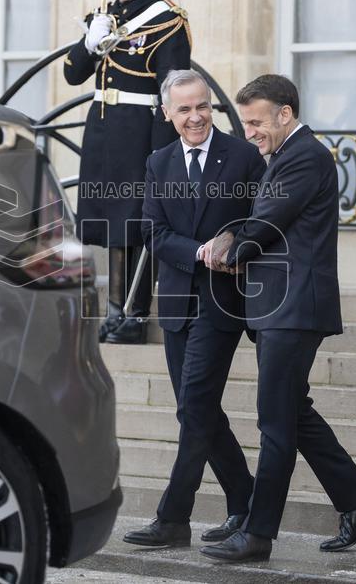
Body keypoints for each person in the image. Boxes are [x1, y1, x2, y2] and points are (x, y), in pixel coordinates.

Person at [199, 75, 356, 563]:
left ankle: (259, 534)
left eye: (256, 121)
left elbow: (267, 221)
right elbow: (258, 215)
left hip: (294, 306)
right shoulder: (282, 156)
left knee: (275, 423)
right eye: (244, 123)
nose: (249, 132)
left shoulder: (305, 155)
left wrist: (230, 250)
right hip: (280, 306)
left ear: (285, 113)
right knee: (294, 414)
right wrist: (231, 236)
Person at [123, 70, 264, 548]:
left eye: (201, 106)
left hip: (224, 302)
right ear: (167, 114)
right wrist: (197, 250)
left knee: (197, 406)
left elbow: (258, 221)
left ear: (212, 107)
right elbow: (152, 231)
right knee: (195, 410)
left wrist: (231, 244)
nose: (195, 116)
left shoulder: (242, 155)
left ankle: (172, 517)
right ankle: (246, 503)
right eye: (183, 109)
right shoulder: (158, 162)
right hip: (178, 302)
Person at [64, 0, 191, 344]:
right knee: (111, 222)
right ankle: (115, 309)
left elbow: (172, 90)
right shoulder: (103, 19)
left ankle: (134, 313)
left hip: (140, 132)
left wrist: (162, 153)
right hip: (103, 131)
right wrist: (88, 44)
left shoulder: (165, 21)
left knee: (135, 223)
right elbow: (72, 75)